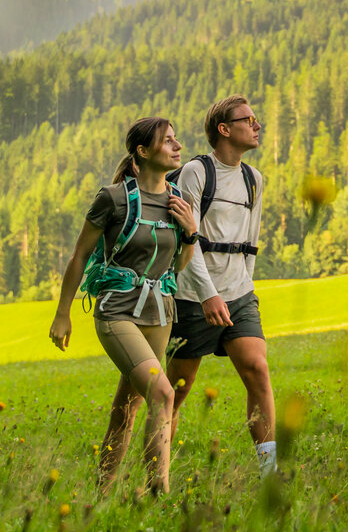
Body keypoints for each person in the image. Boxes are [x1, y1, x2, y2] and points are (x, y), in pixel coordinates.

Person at [49, 117, 198, 496]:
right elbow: (80, 254)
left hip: (160, 314)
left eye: (176, 139)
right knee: (163, 394)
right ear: (143, 153)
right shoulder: (113, 199)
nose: (177, 145)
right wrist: (63, 314)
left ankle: (102, 493)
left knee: (127, 408)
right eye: (168, 141)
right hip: (117, 313)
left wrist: (191, 232)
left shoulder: (180, 202)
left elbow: (176, 267)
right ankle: (157, 492)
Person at [166, 95, 276, 475]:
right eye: (248, 119)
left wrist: (243, 285)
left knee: (257, 371)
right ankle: (158, 473)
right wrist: (208, 293)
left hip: (239, 294)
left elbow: (251, 240)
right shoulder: (195, 173)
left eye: (255, 119)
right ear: (225, 129)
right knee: (177, 391)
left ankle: (269, 474)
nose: (256, 125)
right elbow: (187, 239)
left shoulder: (253, 179)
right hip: (193, 296)